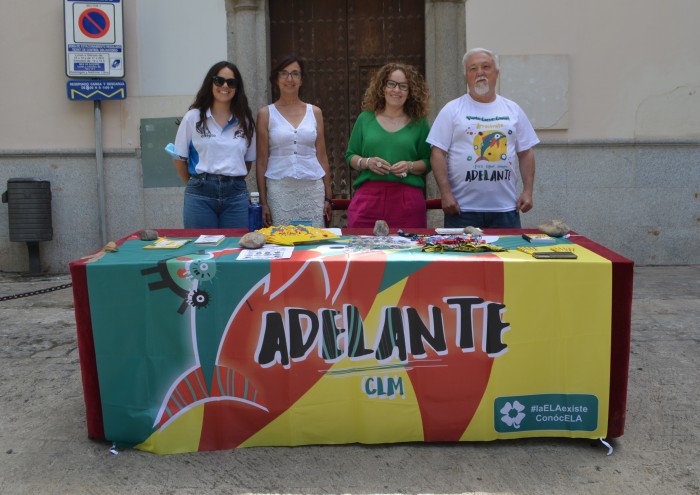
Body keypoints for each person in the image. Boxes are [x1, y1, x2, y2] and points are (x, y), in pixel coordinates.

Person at [426, 48, 539, 229]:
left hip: (506, 211)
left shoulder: (513, 110)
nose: (480, 73)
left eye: (486, 67)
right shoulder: (452, 109)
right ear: (466, 76)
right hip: (461, 211)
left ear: (497, 73)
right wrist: (445, 193)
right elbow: (437, 153)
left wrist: (528, 191)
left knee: (506, 257)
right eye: (473, 69)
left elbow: (526, 152)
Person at [345, 62, 432, 228]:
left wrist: (410, 166)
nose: (396, 90)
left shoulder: (420, 123)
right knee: (363, 252)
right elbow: (350, 156)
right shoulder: (365, 119)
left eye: (403, 86)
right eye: (391, 84)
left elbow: (428, 162)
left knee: (408, 252)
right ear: (382, 87)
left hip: (407, 200)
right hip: (368, 199)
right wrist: (367, 162)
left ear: (410, 92)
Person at [171, 61, 256, 229]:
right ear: (211, 83)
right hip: (200, 194)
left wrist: (229, 180)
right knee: (202, 250)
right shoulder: (193, 117)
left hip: (236, 195)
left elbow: (247, 162)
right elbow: (179, 158)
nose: (225, 86)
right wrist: (195, 184)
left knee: (234, 250)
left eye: (231, 82)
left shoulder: (245, 121)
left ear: (237, 88)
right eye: (219, 80)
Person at [255, 55, 332, 227]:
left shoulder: (315, 112)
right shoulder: (265, 114)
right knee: (282, 243)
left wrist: (328, 196)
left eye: (295, 74)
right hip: (279, 189)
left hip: (312, 189)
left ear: (301, 79)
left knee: (313, 242)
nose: (289, 79)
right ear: (276, 79)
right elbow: (261, 161)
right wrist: (263, 202)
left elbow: (322, 156)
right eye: (284, 73)